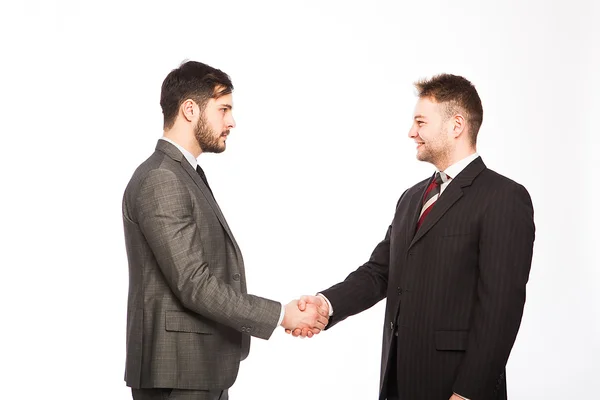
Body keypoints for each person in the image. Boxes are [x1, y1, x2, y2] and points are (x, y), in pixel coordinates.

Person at [293, 74, 535, 400]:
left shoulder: (504, 197)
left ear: (456, 125)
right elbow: (380, 272)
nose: (411, 132)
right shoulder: (411, 199)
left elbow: (500, 310)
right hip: (398, 380)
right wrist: (325, 305)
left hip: (455, 388)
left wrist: (467, 393)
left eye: (421, 122)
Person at [122, 60, 328, 400]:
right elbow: (194, 284)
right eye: (224, 109)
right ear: (190, 109)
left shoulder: (182, 173)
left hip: (196, 368)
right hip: (177, 373)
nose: (231, 121)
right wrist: (280, 314)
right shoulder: (163, 178)